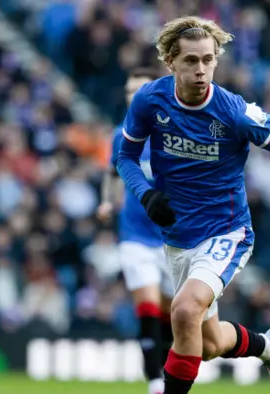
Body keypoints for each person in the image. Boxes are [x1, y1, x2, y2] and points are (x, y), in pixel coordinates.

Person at [117, 16, 270, 394]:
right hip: (178, 238)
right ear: (171, 63)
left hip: (226, 231)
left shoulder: (233, 111)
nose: (201, 70)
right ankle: (267, 347)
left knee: (182, 310)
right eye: (191, 61)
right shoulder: (151, 100)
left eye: (208, 60)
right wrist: (145, 193)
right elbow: (125, 157)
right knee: (209, 344)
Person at [98, 68, 174, 394]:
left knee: (174, 316)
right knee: (147, 307)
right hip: (135, 237)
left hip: (173, 241)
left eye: (138, 91)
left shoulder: (175, 135)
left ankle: (170, 376)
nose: (132, 98)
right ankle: (155, 383)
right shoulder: (121, 135)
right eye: (129, 92)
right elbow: (114, 173)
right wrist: (106, 202)